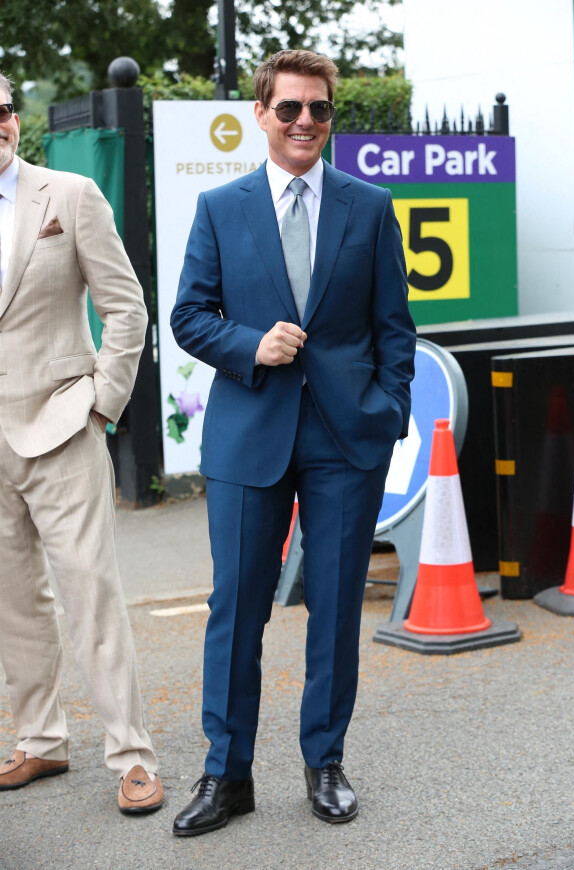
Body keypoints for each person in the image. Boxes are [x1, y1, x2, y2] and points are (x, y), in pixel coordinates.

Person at [171, 49, 416, 836]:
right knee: (236, 609)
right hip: (250, 432)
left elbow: (395, 330)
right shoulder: (220, 207)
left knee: (337, 609)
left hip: (348, 439)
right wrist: (250, 346)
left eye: (318, 109)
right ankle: (226, 775)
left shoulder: (370, 207)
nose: (305, 121)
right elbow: (189, 316)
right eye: (290, 109)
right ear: (261, 114)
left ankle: (326, 763)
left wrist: (388, 412)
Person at [0, 73, 163, 814]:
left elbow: (125, 308)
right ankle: (40, 740)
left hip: (64, 424)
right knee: (13, 602)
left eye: (1, 110)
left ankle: (131, 753)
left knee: (89, 592)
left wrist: (102, 405)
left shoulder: (67, 195)